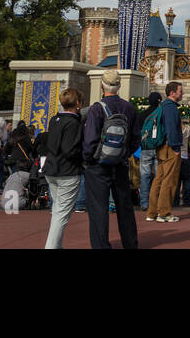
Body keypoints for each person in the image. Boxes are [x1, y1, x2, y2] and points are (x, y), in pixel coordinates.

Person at [82, 70, 142, 248]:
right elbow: (135, 138)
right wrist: (124, 154)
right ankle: (130, 243)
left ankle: (101, 245)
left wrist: (88, 158)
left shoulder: (96, 108)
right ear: (119, 86)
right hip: (121, 164)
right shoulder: (129, 108)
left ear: (102, 85)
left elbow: (90, 139)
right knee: (124, 207)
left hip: (98, 166)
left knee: (98, 209)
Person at [43, 87, 84, 248]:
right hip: (67, 171)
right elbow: (69, 149)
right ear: (78, 103)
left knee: (57, 211)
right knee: (61, 214)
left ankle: (56, 245)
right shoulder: (73, 122)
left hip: (51, 169)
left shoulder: (55, 119)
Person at [145, 81, 184, 223]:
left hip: (161, 147)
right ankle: (164, 212)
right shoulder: (171, 108)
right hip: (170, 147)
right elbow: (171, 128)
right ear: (172, 93)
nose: (182, 93)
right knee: (169, 180)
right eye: (180, 91)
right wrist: (175, 147)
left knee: (159, 179)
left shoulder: (163, 106)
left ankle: (152, 212)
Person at [137, 91, 162, 211]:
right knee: (158, 176)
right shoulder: (160, 113)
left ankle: (144, 202)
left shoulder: (142, 115)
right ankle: (156, 202)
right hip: (158, 147)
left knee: (144, 175)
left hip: (145, 147)